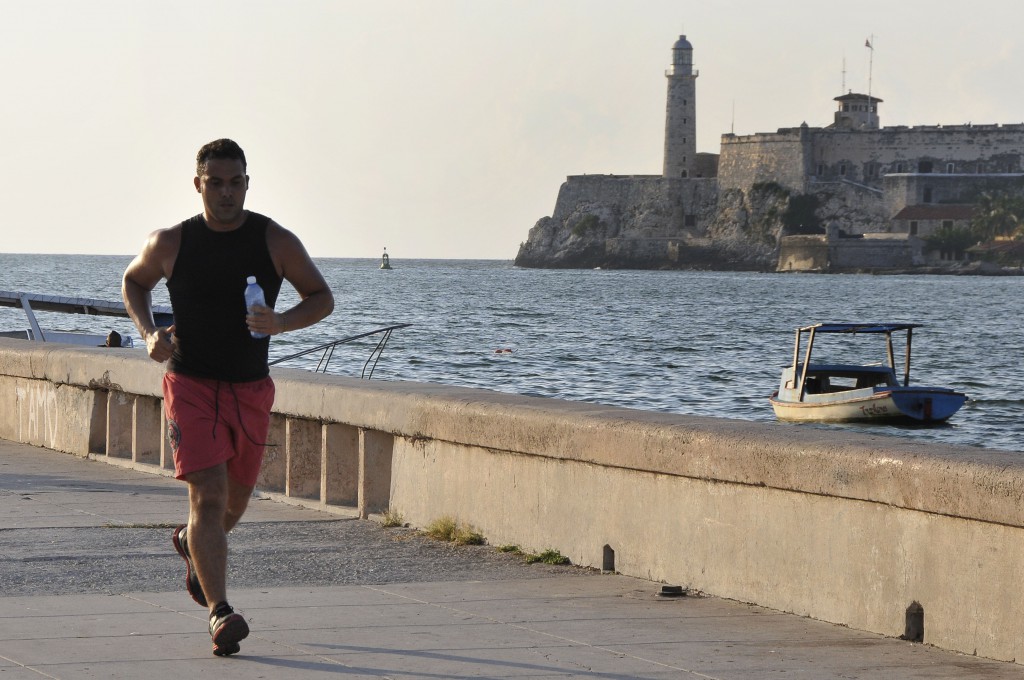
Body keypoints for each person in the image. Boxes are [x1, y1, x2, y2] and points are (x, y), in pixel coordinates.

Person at [122, 139, 334, 656]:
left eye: (234, 181)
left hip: (250, 389)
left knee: (233, 505)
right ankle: (220, 613)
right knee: (209, 496)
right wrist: (149, 332)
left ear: (246, 182)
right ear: (198, 184)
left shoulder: (274, 240)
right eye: (214, 182)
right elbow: (135, 282)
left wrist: (282, 322)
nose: (225, 192)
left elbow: (321, 297)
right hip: (190, 385)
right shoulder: (171, 242)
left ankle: (190, 543)